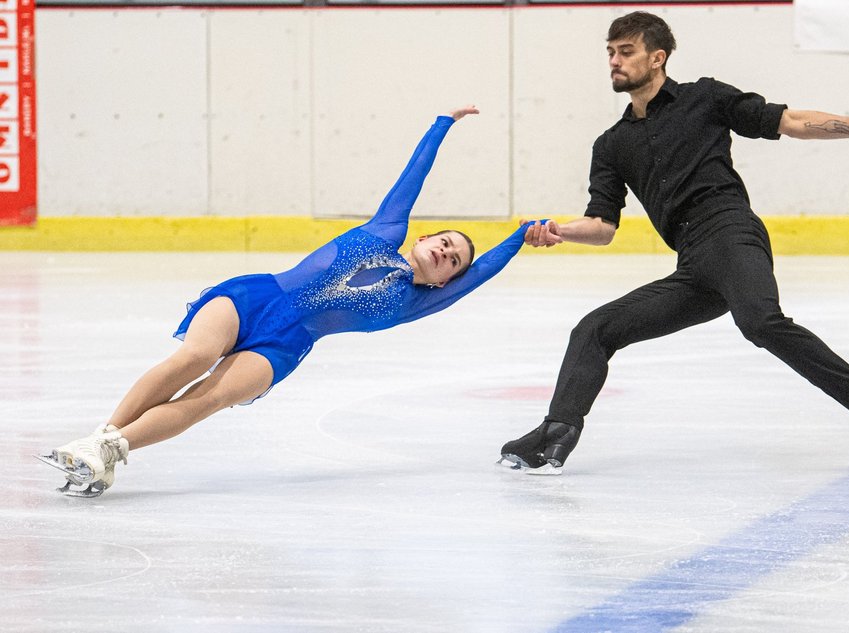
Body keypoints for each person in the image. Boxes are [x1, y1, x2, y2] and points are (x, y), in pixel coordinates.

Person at [498, 11, 849, 475]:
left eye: (626, 52)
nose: (614, 62)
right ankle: (557, 431)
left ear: (657, 58)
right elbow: (602, 226)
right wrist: (558, 230)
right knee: (595, 329)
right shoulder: (612, 144)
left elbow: (790, 120)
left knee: (760, 322)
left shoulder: (704, 98)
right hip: (694, 266)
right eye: (610, 53)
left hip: (731, 232)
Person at [39, 106, 535, 497]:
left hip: (285, 344)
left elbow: (484, 270)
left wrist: (520, 235)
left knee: (209, 396)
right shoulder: (385, 230)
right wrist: (442, 123)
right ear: (424, 235)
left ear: (445, 281)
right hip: (255, 297)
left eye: (453, 261)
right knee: (193, 357)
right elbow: (413, 175)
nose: (446, 253)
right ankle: (97, 440)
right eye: (445, 242)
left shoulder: (417, 302)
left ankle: (112, 447)